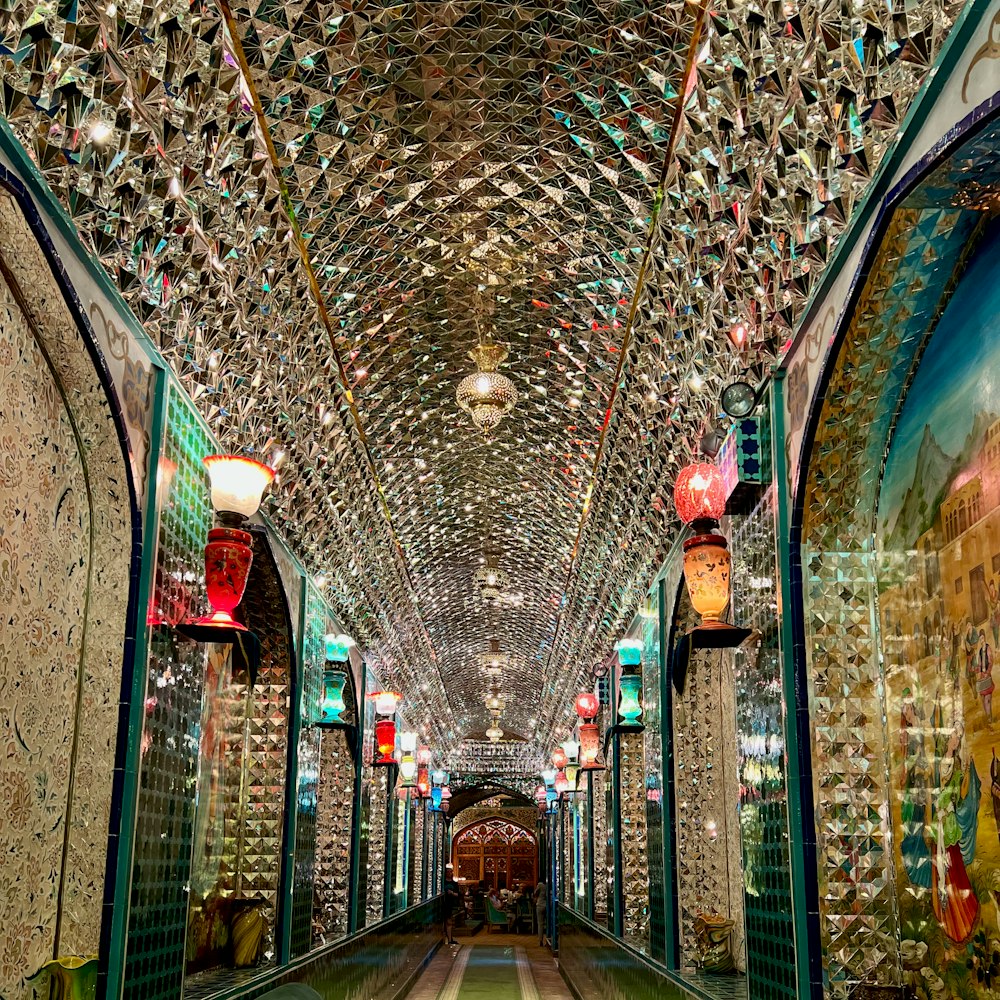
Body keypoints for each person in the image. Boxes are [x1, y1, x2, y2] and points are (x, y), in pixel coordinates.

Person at [443, 869, 461, 946]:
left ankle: (450, 939)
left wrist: (452, 893)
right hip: (442, 903)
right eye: (447, 872)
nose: (449, 873)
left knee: (449, 921)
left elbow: (458, 894)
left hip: (450, 904)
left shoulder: (454, 884)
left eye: (450, 872)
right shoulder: (442, 882)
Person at [534, 880, 549, 947]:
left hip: (540, 905)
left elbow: (535, 893)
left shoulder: (540, 885)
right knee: (548, 924)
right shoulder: (549, 885)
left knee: (540, 924)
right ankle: (548, 940)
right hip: (548, 905)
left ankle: (541, 940)